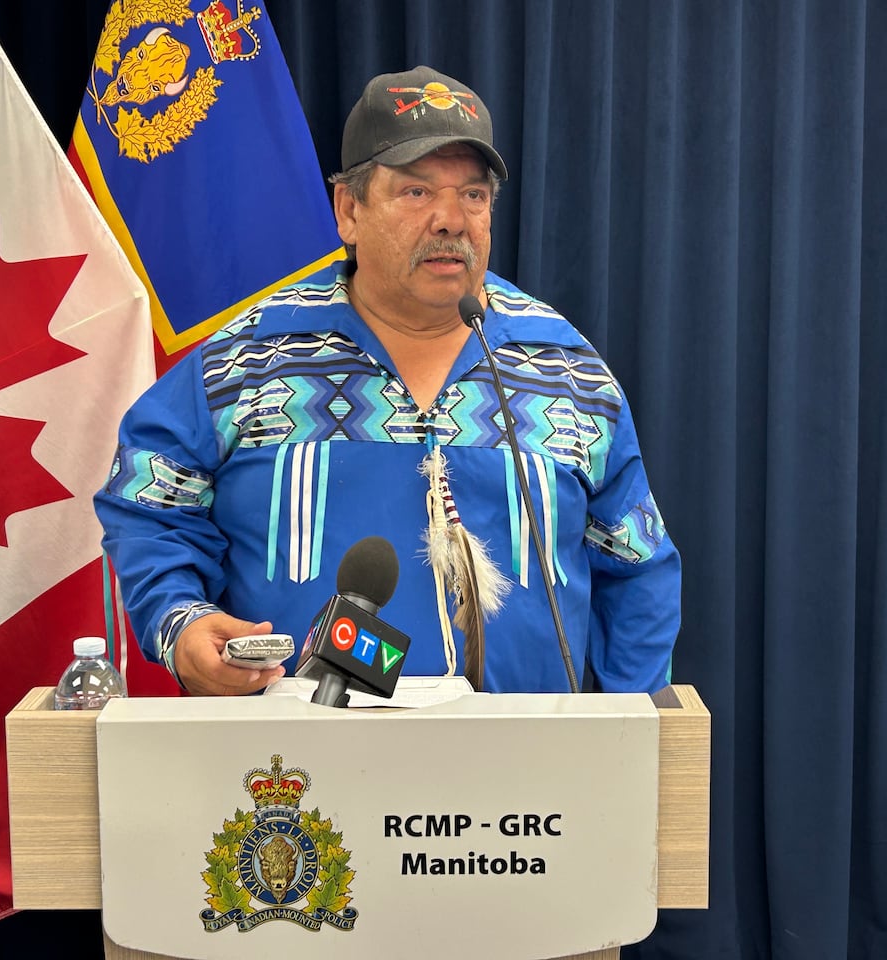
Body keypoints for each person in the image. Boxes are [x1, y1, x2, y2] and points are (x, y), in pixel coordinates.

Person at [93, 65, 681, 697]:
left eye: (473, 195)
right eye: (417, 193)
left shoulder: (565, 371)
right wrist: (182, 623)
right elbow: (150, 506)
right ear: (349, 209)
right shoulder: (249, 362)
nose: (452, 220)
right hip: (293, 778)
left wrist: (633, 740)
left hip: (524, 782)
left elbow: (637, 567)